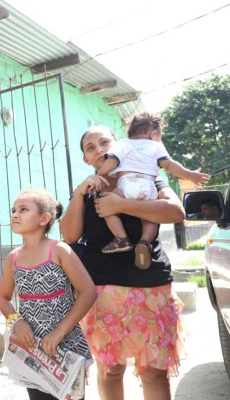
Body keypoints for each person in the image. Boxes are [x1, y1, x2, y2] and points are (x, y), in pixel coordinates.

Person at [60, 125, 186, 400]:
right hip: (104, 291)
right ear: (86, 159)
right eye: (90, 148)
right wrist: (80, 193)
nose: (100, 149)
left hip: (152, 285)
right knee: (111, 370)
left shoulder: (149, 177)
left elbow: (176, 211)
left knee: (153, 372)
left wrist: (120, 206)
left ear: (119, 145)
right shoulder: (87, 189)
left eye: (104, 142)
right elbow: (69, 235)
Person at [0, 188, 96, 400]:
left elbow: (88, 292)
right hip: (33, 350)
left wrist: (59, 332)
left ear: (44, 218)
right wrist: (16, 322)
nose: (15, 214)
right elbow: (3, 299)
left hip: (66, 346)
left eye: (23, 209)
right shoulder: (13, 258)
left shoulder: (59, 250)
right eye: (13, 210)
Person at [95, 112, 209, 269]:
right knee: (150, 218)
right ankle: (144, 242)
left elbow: (112, 161)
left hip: (126, 184)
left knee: (107, 206)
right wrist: (190, 175)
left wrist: (98, 175)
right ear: (154, 134)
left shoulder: (123, 143)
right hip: (149, 186)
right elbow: (169, 165)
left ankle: (121, 238)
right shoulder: (156, 146)